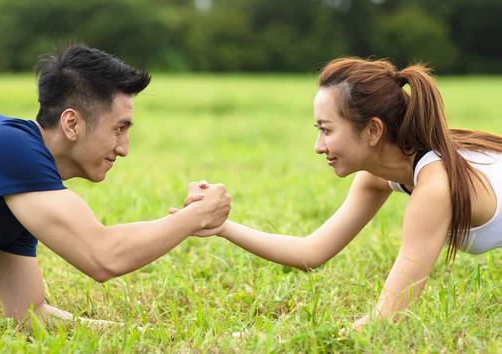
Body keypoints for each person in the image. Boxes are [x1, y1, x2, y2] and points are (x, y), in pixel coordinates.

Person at [0, 43, 231, 327]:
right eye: (118, 129)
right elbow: (102, 256)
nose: (124, 148)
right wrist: (196, 216)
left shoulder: (27, 188)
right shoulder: (7, 145)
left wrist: (153, 336)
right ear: (71, 123)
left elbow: (28, 314)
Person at [181, 57, 502, 331]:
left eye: (327, 130)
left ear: (373, 130)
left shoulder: (434, 188)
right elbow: (311, 252)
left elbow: (389, 319)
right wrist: (221, 226)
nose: (318, 147)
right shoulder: (377, 177)